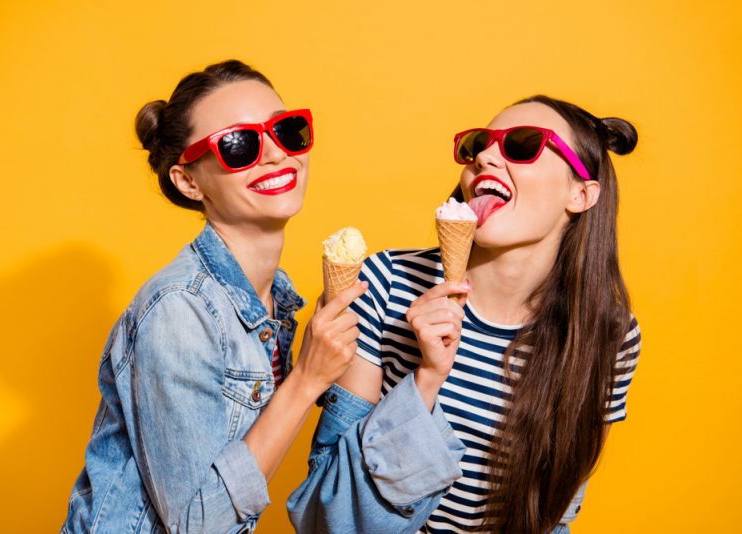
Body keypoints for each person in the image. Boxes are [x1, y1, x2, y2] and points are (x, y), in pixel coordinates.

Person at [288, 95, 641, 534]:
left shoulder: (607, 333)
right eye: (478, 145)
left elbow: (555, 511)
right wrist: (427, 379)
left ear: (581, 194)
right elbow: (331, 515)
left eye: (524, 145)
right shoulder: (385, 283)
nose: (486, 157)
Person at [61, 59, 367, 533]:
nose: (273, 154)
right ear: (188, 181)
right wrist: (306, 378)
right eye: (238, 145)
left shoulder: (272, 304)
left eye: (285, 130)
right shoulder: (180, 308)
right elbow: (195, 525)